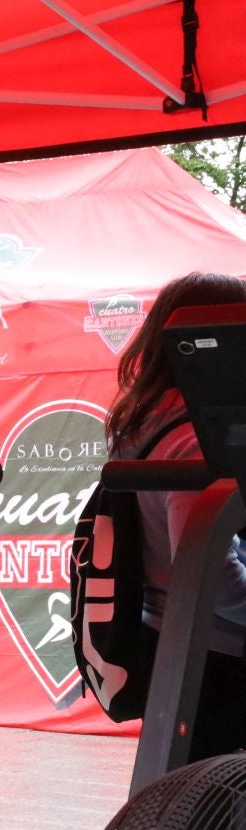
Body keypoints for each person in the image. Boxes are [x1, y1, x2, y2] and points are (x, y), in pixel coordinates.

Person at [104, 271, 246, 761]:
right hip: (217, 662)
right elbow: (210, 572)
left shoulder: (148, 421)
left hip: (178, 646)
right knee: (209, 822)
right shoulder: (191, 437)